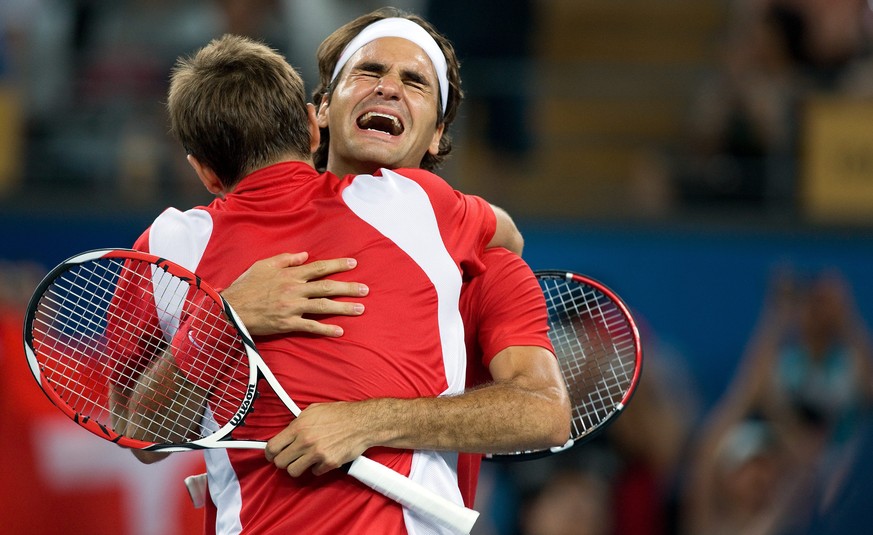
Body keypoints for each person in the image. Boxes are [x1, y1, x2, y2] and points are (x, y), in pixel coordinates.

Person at [116, 33, 564, 534]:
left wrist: (367, 421)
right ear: (320, 114)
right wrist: (223, 318)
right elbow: (142, 439)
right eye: (369, 72)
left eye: (414, 81)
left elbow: (544, 411)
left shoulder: (487, 265)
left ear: (437, 134)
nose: (389, 88)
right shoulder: (179, 245)